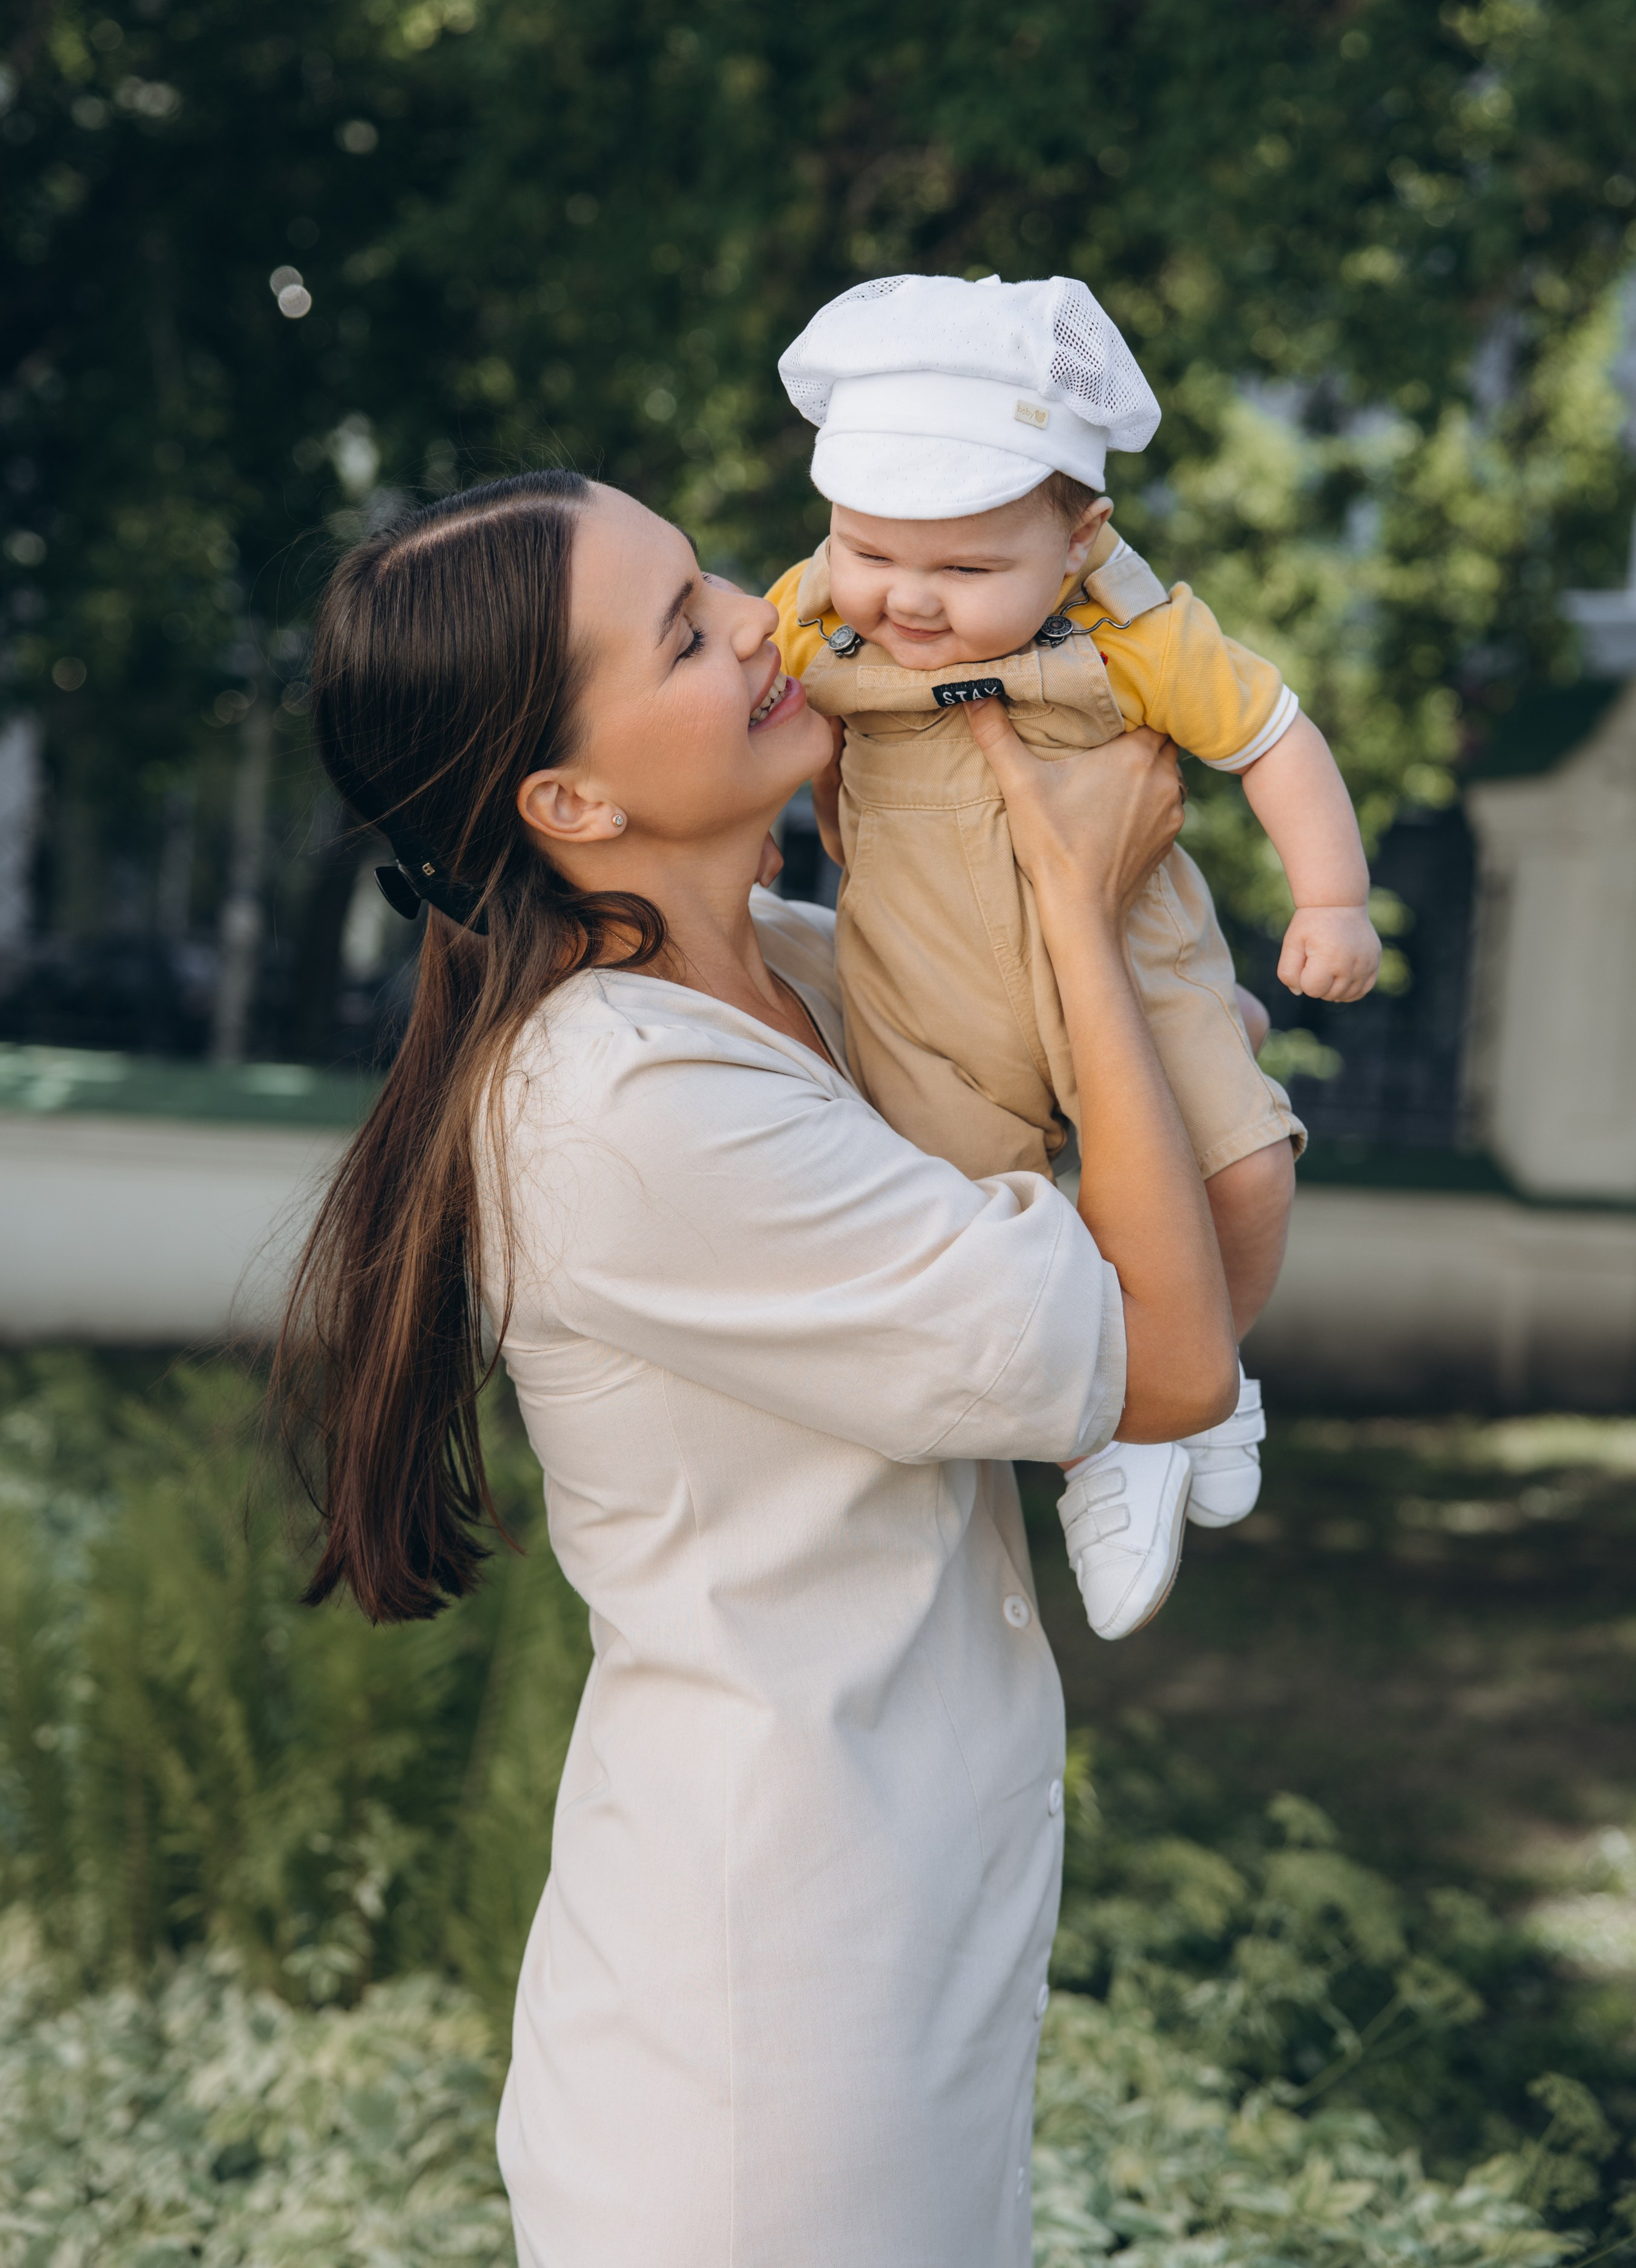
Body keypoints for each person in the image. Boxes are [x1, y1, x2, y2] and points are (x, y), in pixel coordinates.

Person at [273, 468, 1236, 2268]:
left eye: (714, 573)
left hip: (897, 1958)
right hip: (771, 2072)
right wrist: (1070, 916)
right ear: (569, 795)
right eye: (683, 632)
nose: (762, 613)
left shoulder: (806, 972)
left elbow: (1196, 1186)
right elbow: (1171, 1364)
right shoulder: (628, 1109)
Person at [764, 273, 1380, 1639]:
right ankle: (1104, 1425)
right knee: (983, 1256)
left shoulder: (1143, 638)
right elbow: (761, 717)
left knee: (1249, 1170)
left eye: (965, 570)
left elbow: (1271, 737)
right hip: (927, 999)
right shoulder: (819, 612)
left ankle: (1190, 1380)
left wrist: (1328, 897)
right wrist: (756, 838)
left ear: (1078, 538)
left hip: (1140, 973)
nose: (905, 602)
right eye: (868, 550)